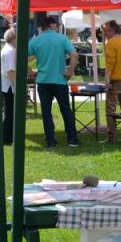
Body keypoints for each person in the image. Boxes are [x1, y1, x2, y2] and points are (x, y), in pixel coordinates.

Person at [27, 14, 79, 148]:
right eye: (58, 25)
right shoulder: (62, 38)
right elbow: (74, 54)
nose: (58, 27)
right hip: (59, 80)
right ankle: (72, 139)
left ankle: (50, 141)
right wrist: (70, 71)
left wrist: (30, 71)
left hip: (43, 81)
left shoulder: (36, 40)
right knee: (66, 110)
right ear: (52, 25)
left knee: (46, 112)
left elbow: (21, 57)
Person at [0, 27, 17, 145]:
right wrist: (18, 86)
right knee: (10, 113)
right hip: (10, 85)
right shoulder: (11, 51)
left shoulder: (6, 48)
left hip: (5, 85)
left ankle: (7, 137)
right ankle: (7, 138)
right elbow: (11, 72)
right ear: (13, 38)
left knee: (9, 113)